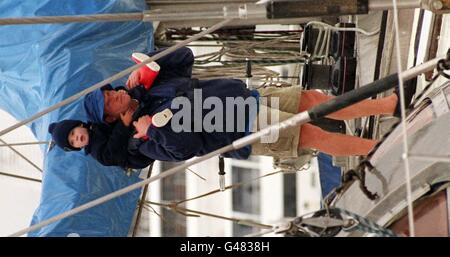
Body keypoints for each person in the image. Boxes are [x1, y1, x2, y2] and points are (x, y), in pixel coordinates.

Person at [84, 46, 414, 163]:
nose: (114, 95)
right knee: (311, 135)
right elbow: (187, 148)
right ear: (113, 119)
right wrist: (153, 130)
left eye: (109, 92)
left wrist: (150, 69)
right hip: (239, 128)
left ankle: (389, 105)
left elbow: (185, 57)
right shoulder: (142, 141)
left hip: (242, 99)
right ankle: (387, 149)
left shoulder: (149, 90)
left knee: (314, 99)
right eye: (109, 103)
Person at [48, 112, 154, 170]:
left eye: (73, 133)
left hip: (136, 134)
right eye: (72, 143)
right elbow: (112, 150)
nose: (76, 138)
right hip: (137, 155)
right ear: (77, 147)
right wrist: (123, 124)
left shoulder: (97, 125)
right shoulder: (97, 152)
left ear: (79, 125)